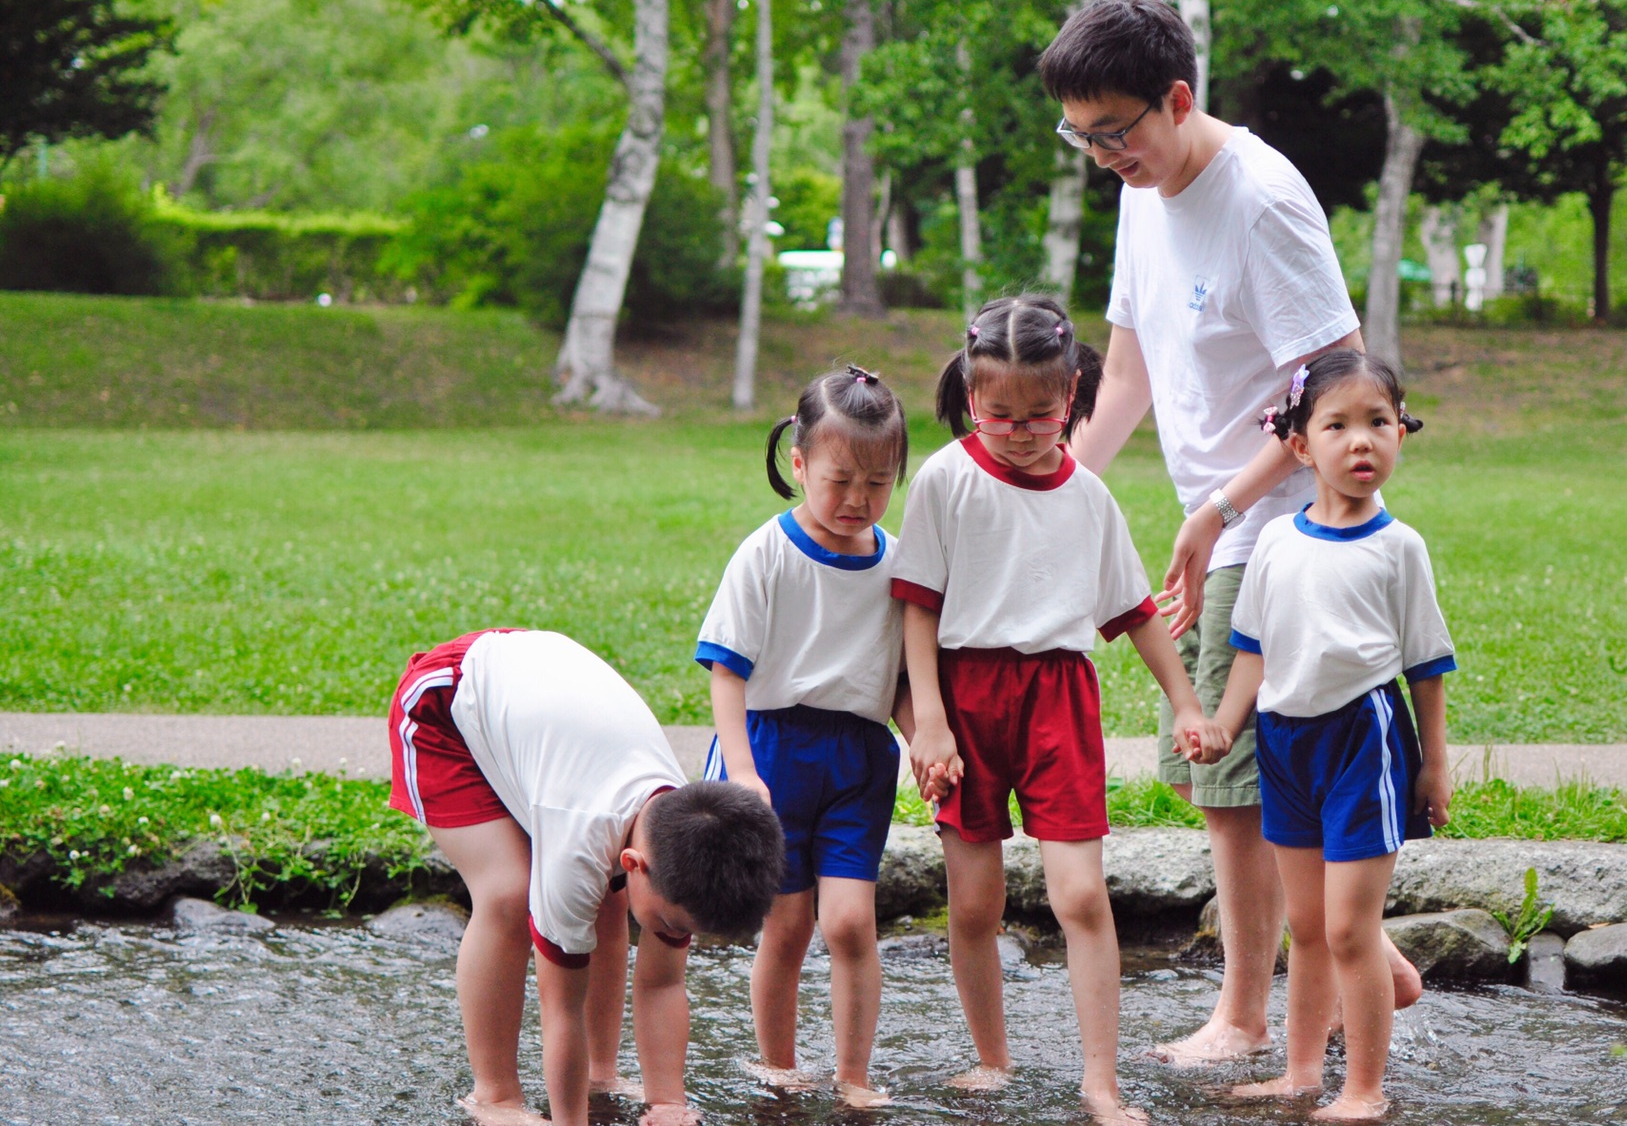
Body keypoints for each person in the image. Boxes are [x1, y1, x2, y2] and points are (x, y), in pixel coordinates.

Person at [1038, 0, 1421, 1063]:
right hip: (1218, 522)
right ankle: (1365, 959)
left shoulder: (1260, 198)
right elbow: (1126, 369)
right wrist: (1056, 484)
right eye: (1083, 138)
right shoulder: (1138, 187)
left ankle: (1246, 1017)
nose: (1106, 154)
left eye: (1117, 132)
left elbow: (1336, 380)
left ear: (1176, 94)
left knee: (1229, 788)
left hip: (1286, 534)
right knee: (1234, 772)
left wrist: (1221, 505)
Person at [893, 294, 1228, 1126]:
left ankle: (1100, 1082)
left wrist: (1185, 702)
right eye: (998, 413)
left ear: (1073, 399)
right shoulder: (945, 480)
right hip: (964, 702)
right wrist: (926, 718)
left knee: (1081, 896)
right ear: (972, 399)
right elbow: (918, 609)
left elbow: (1136, 613)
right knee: (974, 904)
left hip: (1058, 704)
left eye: (1040, 414)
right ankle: (991, 1060)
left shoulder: (1088, 497)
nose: (1018, 429)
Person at [1196, 350, 1455, 1121]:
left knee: (1349, 927)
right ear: (1302, 446)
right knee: (1304, 926)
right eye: (1337, 426)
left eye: (1378, 423)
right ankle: (1302, 1073)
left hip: (1362, 742)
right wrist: (1223, 727)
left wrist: (1434, 766)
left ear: (1401, 434)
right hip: (1282, 743)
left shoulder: (1398, 547)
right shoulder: (1275, 541)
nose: (1361, 443)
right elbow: (1253, 651)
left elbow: (1426, 668)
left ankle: (1364, 1090)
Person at [386, 627, 785, 1126]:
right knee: (509, 894)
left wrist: (668, 1103)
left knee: (610, 901)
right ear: (635, 864)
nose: (676, 937)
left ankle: (603, 1073)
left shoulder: (685, 832)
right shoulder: (580, 847)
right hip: (444, 705)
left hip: (539, 704)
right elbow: (562, 1012)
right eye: (674, 926)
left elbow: (662, 984)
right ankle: (493, 1095)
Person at [694, 365, 914, 1108]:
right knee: (786, 926)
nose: (857, 499)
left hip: (859, 761)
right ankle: (779, 1069)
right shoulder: (768, 553)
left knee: (851, 922)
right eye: (839, 479)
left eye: (878, 483)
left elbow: (903, 680)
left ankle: (853, 1076)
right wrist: (744, 773)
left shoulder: (898, 563)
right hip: (773, 752)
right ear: (798, 465)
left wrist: (927, 744)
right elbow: (726, 671)